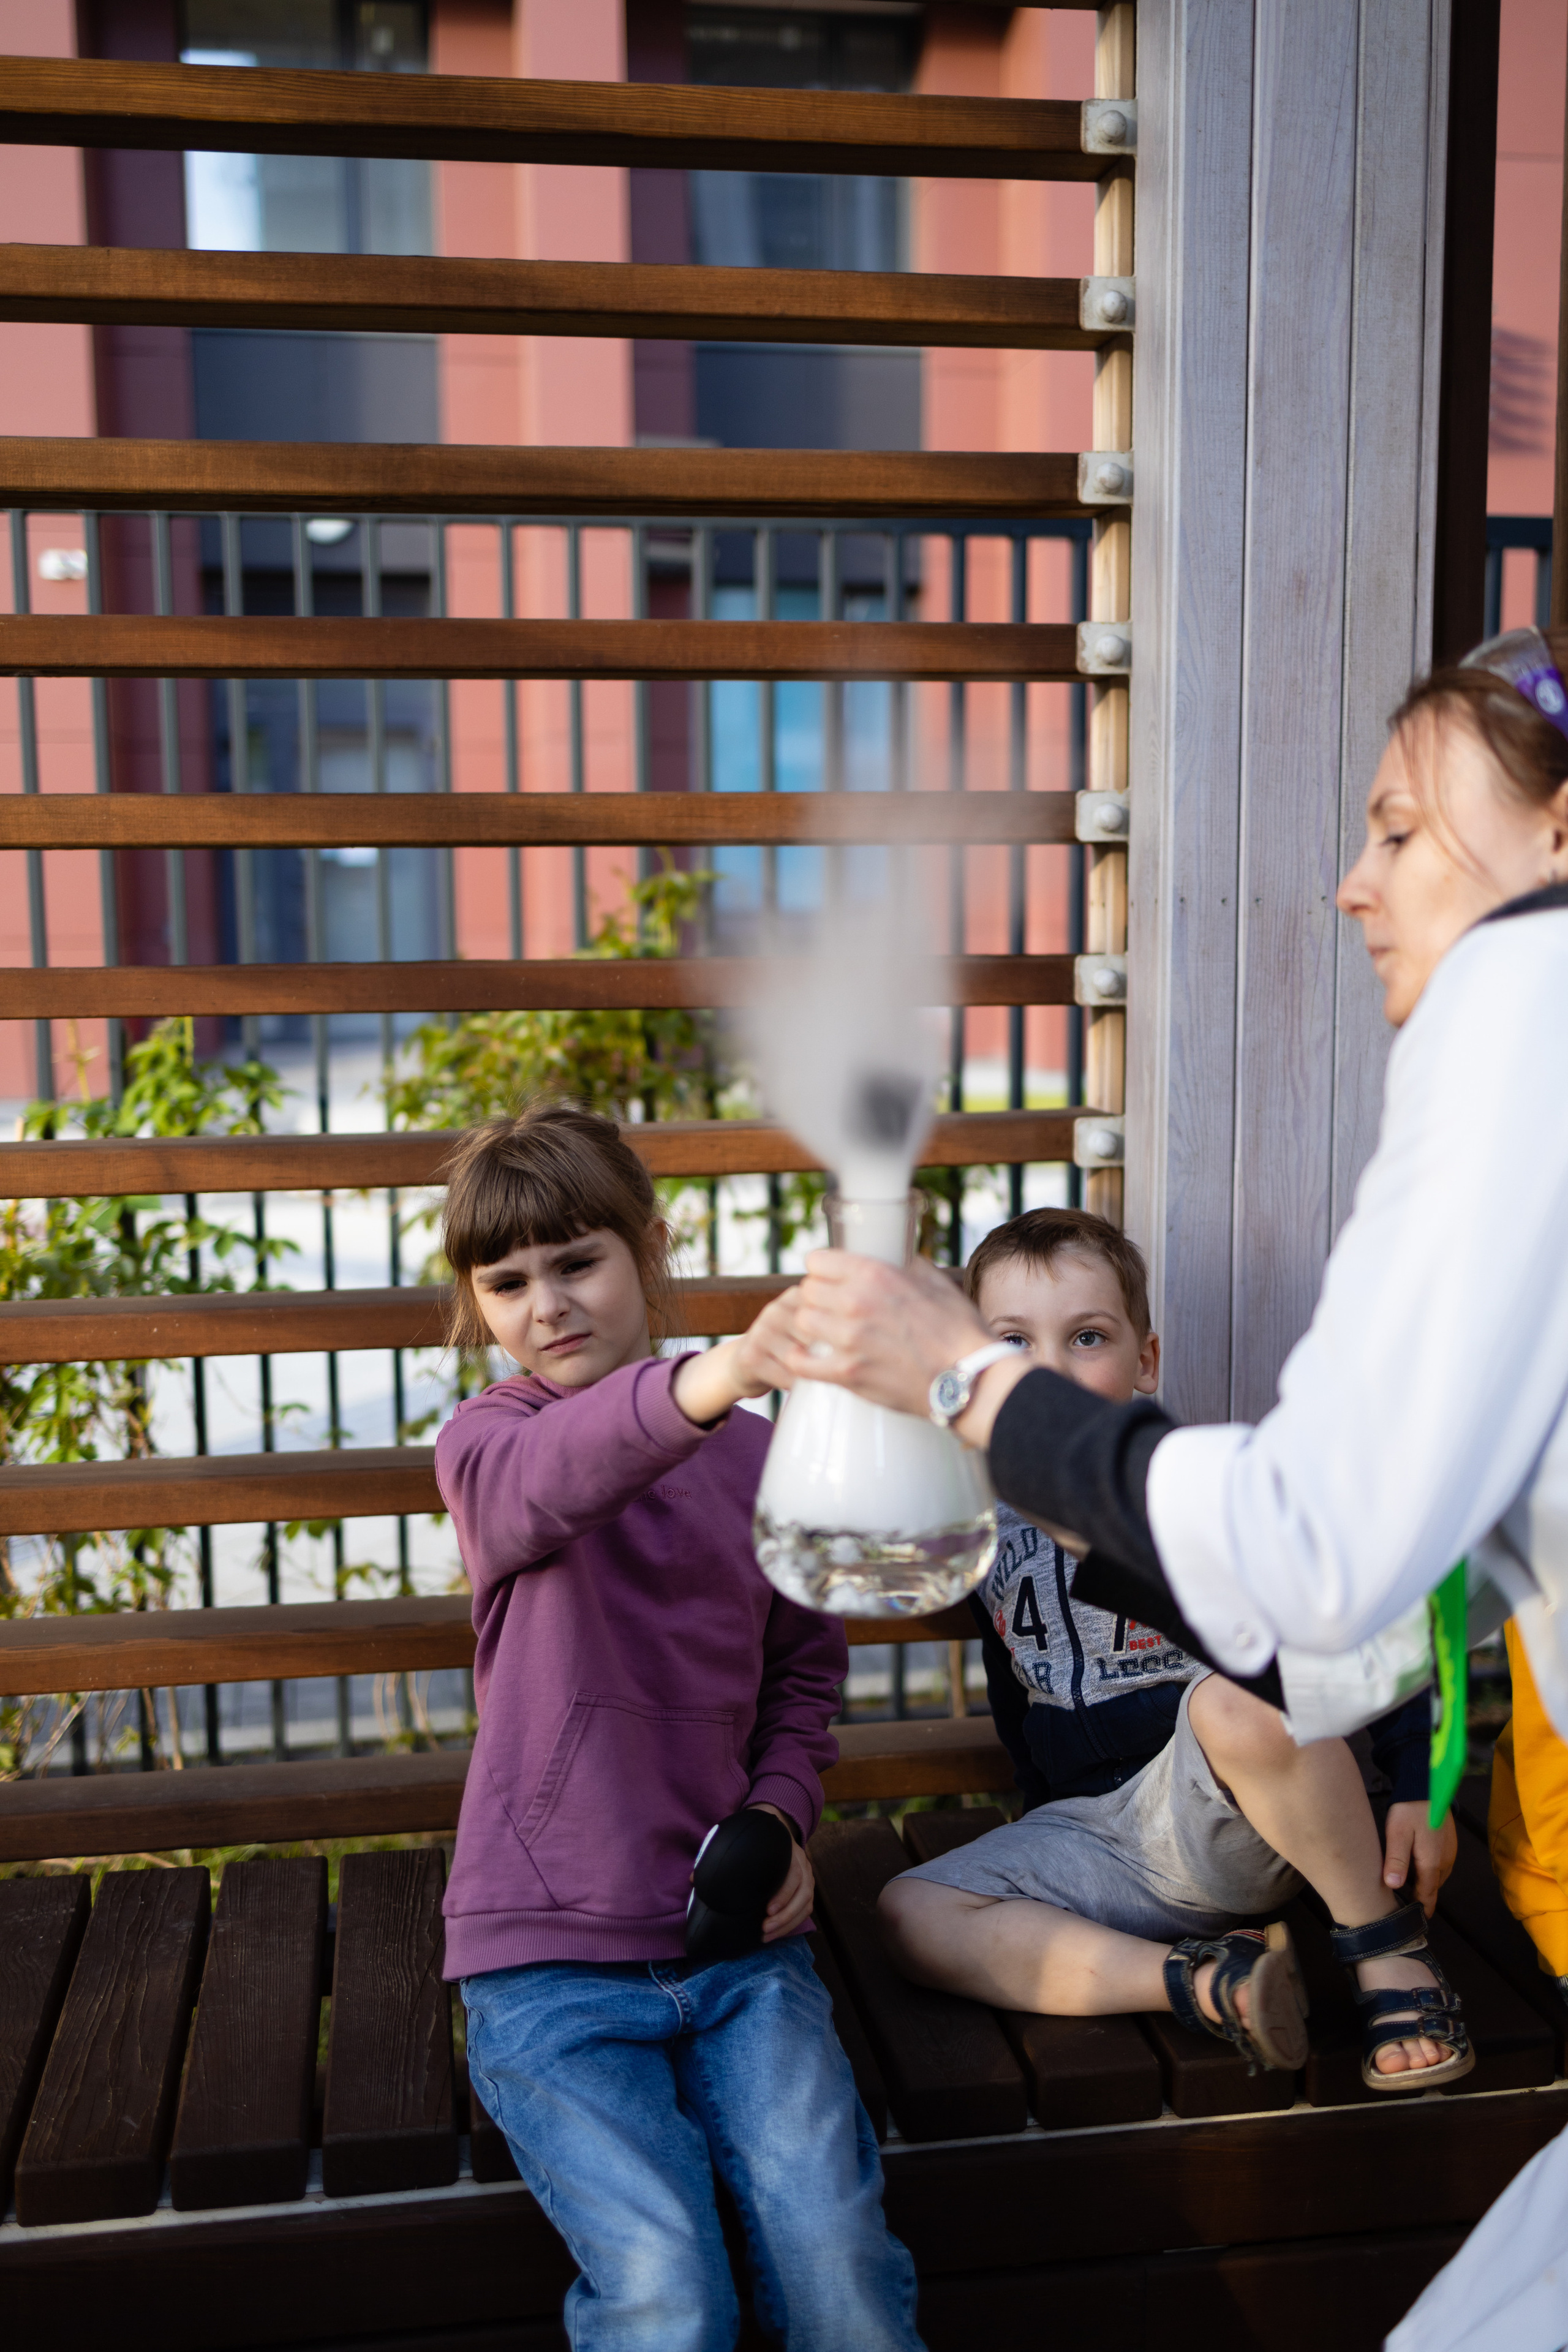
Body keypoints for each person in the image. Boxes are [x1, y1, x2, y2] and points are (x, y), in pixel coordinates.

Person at [765, 624, 1568, 2348]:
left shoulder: (1528, 1011)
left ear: (1561, 841)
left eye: (1404, 830)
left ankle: (1365, 1950)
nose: (1354, 885)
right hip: (1132, 1850)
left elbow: (1322, 1551)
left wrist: (967, 1382)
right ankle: (1222, 1981)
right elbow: (1416, 1522)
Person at [434, 1101, 922, 2352]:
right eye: (507, 1282)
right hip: (546, 1969)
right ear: (476, 1305)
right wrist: (718, 1376)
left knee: (834, 2262)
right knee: (664, 2286)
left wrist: (778, 1815)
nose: (546, 1304)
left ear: (648, 1249)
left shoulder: (761, 1460)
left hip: (737, 1953)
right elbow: (554, 1489)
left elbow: (802, 1682)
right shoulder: (491, 1446)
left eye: (577, 1262)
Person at [878, 1206, 1466, 2087]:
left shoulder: (1192, 1483)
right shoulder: (976, 1517)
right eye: (1011, 1344)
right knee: (907, 1911)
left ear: (1144, 1360)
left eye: (1086, 1337)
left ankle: (1383, 1944)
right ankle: (1206, 1984)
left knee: (1234, 1702)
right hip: (1099, 1841)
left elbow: (1358, 1619)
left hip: (1243, 1807)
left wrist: (1422, 1778)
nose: (1047, 1370)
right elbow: (1007, 1675)